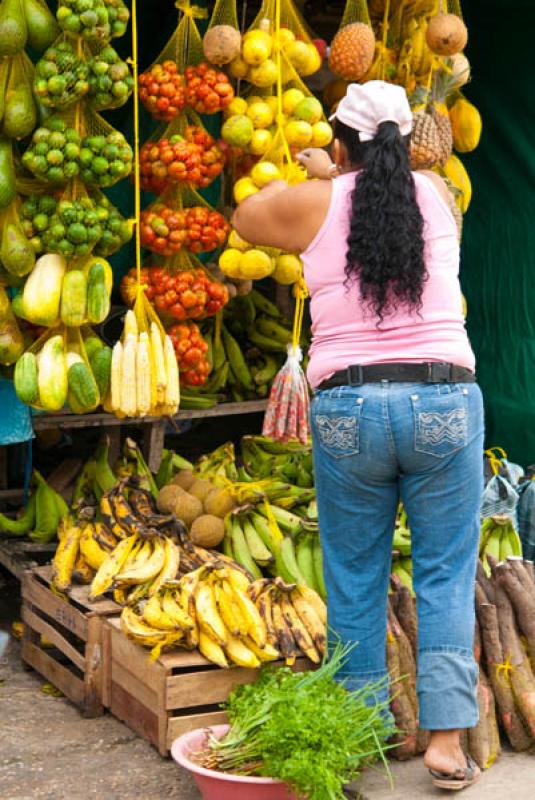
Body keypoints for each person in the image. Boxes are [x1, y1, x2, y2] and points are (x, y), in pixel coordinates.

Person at [233, 80, 484, 792]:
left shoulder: (312, 201)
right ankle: (443, 743)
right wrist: (344, 170)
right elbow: (386, 200)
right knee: (442, 572)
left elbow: (247, 217)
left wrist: (316, 173)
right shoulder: (439, 198)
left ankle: (354, 735)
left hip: (348, 407)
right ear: (405, 147)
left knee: (353, 575)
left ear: (339, 142)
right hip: (443, 396)